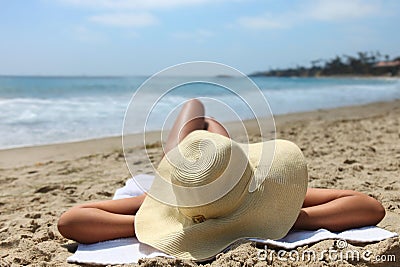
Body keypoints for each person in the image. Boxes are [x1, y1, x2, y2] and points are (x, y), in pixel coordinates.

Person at [58, 99, 385, 246]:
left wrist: (158, 223)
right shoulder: (259, 192)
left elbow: (70, 221)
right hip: (204, 182)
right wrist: (285, 218)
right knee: (206, 127)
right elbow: (369, 206)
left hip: (187, 186)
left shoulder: (167, 198)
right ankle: (207, 127)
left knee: (195, 112)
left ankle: (202, 118)